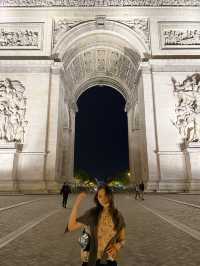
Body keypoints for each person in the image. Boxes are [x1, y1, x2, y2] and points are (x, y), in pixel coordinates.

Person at [65, 184, 126, 266]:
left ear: (110, 196)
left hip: (109, 261)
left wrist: (117, 246)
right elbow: (71, 226)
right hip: (91, 261)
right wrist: (77, 204)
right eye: (100, 196)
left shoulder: (118, 216)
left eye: (106, 195)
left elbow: (122, 239)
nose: (103, 199)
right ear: (97, 199)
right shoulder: (92, 213)